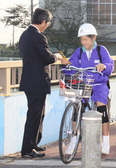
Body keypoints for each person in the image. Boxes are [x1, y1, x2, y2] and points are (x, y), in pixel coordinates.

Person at [20, 8, 68, 158]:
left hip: (29, 81)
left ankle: (33, 144)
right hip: (37, 82)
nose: (47, 25)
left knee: (37, 115)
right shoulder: (38, 37)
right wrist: (57, 57)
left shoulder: (25, 34)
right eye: (47, 23)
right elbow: (47, 58)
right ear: (43, 22)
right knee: (35, 116)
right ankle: (28, 150)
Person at [66, 23, 113, 155]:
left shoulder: (101, 50)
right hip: (84, 84)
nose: (83, 42)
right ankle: (73, 140)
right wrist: (67, 67)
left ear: (93, 38)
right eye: (82, 39)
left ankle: (106, 141)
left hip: (99, 85)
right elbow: (71, 64)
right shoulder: (79, 51)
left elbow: (110, 66)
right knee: (77, 109)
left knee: (102, 110)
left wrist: (104, 66)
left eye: (86, 39)